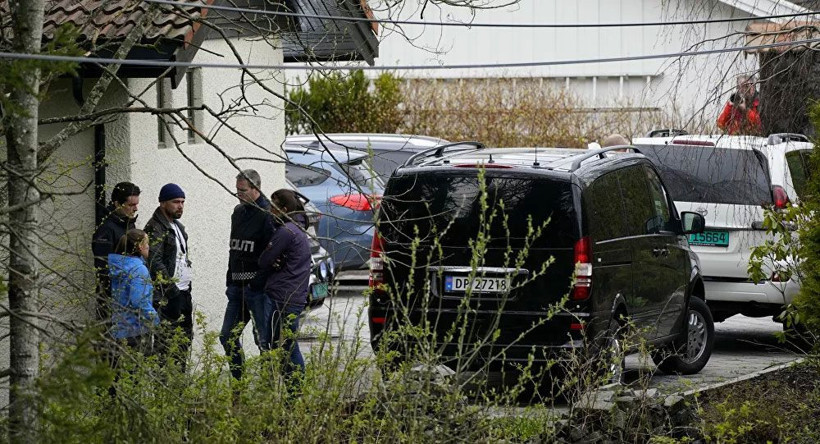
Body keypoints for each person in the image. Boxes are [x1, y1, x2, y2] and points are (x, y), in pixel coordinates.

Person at [220, 170, 275, 380]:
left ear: (256, 189)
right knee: (227, 336)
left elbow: (271, 255)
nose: (239, 195)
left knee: (264, 341)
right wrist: (230, 279)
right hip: (237, 287)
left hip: (258, 290)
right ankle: (238, 382)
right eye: (237, 190)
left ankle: (268, 386)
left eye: (243, 191)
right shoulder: (238, 212)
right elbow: (234, 249)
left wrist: (258, 282)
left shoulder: (268, 214)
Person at [258, 189, 312, 382]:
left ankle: (294, 386)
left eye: (273, 207)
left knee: (283, 344)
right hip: (294, 295)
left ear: (285, 209)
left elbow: (264, 260)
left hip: (283, 296)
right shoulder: (297, 229)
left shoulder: (286, 231)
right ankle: (293, 386)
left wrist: (271, 258)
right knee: (287, 343)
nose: (270, 210)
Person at [144, 183, 193, 369]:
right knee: (167, 345)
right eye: (175, 202)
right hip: (168, 295)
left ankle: (178, 386)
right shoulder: (155, 227)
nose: (180, 206)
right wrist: (171, 291)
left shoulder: (177, 226)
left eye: (182, 202)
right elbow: (155, 262)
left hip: (183, 291)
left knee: (183, 341)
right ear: (163, 203)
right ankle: (165, 388)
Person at [92, 182, 141, 323]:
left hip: (131, 294)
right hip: (114, 299)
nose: (136, 209)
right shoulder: (106, 229)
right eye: (131, 205)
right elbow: (103, 267)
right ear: (117, 204)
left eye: (137, 204)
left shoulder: (127, 222)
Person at [108, 229, 159, 351]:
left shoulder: (118, 266)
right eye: (147, 243)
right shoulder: (139, 269)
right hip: (136, 330)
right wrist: (155, 320)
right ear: (140, 247)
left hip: (119, 328)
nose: (148, 247)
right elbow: (139, 301)